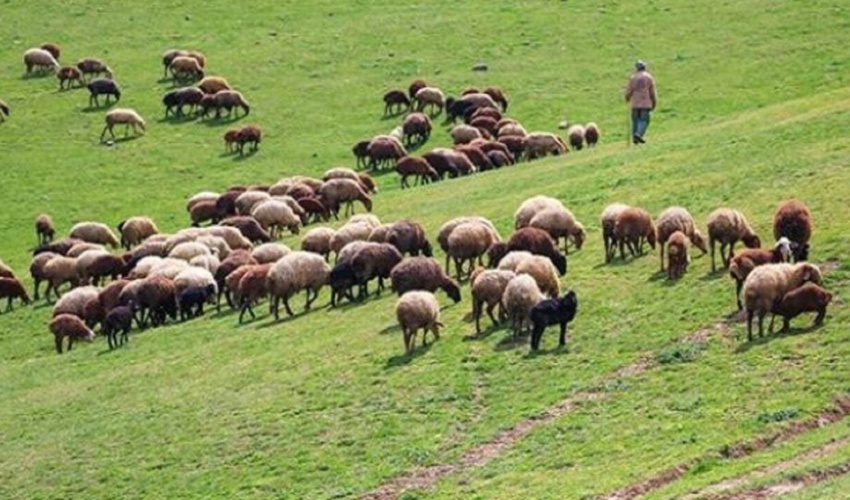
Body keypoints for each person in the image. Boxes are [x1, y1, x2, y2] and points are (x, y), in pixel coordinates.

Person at [624, 60, 656, 144]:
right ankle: (639, 134)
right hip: (645, 104)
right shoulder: (649, 77)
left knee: (635, 121)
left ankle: (635, 140)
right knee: (644, 120)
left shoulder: (633, 78)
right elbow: (652, 92)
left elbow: (629, 91)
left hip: (635, 104)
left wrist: (627, 98)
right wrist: (654, 102)